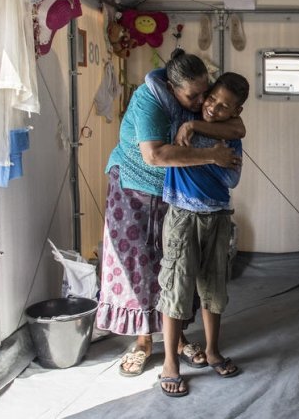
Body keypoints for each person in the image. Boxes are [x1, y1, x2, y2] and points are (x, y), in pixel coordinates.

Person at [97, 49, 244, 377]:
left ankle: (176, 341)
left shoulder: (194, 104)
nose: (201, 100)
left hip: (172, 194)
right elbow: (156, 155)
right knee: (140, 263)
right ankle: (143, 341)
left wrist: (193, 121)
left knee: (175, 267)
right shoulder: (150, 101)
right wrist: (210, 156)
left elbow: (238, 127)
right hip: (135, 187)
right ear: (173, 87)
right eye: (194, 96)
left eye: (205, 92)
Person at [155, 72, 249, 397]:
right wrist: (212, 157)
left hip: (218, 215)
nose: (213, 108)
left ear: (235, 111)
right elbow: (157, 81)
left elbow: (232, 178)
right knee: (176, 287)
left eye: (224, 107)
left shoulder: (230, 132)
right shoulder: (184, 116)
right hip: (182, 214)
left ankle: (212, 350)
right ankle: (170, 363)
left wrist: (199, 158)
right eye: (211, 99)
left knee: (214, 286)